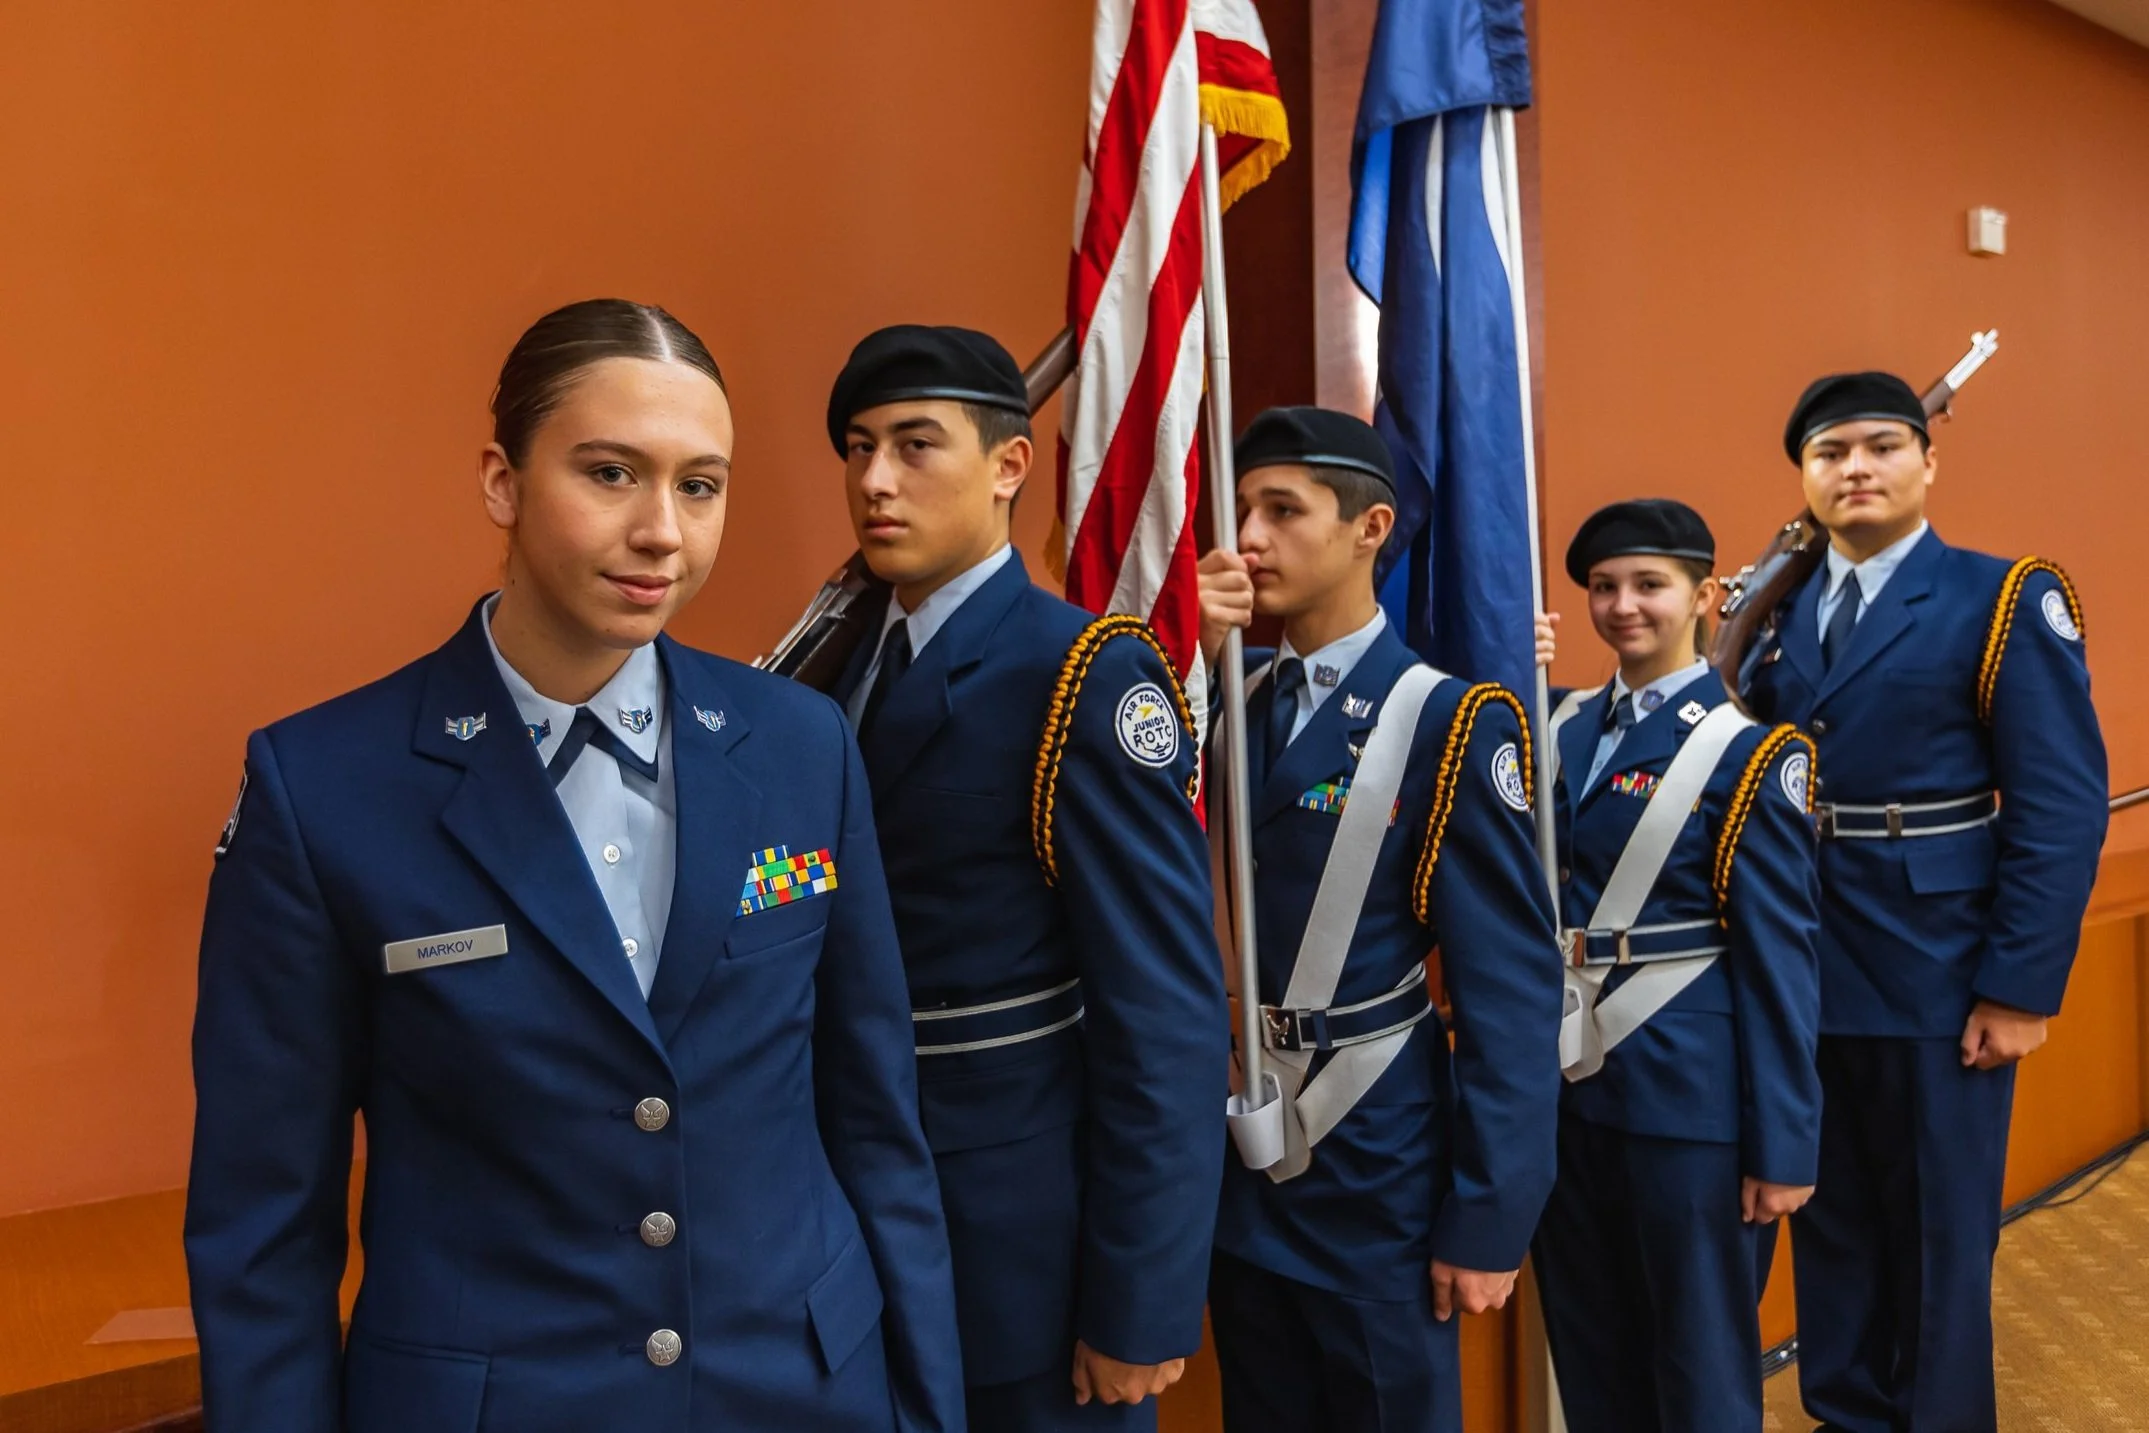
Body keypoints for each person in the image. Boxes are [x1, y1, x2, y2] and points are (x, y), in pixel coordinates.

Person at [185, 300, 965, 1433]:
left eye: (699, 485)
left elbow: (878, 1127)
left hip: (804, 1391)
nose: (663, 531)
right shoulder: (326, 787)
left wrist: (927, 1408)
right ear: (502, 481)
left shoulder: (800, 746)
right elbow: (264, 1223)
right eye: (611, 473)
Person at [824, 324, 1228, 1430]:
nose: (874, 482)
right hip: (852, 1211)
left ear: (1009, 465)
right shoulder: (840, 665)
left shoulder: (1082, 675)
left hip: (1020, 1244)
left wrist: (1142, 1298)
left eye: (915, 446)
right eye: (858, 448)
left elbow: (1165, 1010)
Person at [1745, 372, 2107, 1432]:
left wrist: (2017, 982)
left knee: (1940, 1232)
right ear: (1803, 477)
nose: (1853, 468)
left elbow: (2058, 804)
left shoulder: (1999, 596)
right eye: (1827, 453)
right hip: (1804, 957)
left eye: (1878, 446)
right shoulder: (1775, 607)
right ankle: (1847, 1412)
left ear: (1926, 461)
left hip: (1938, 963)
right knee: (1834, 1217)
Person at [1193, 406, 1562, 1433]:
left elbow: (1509, 985)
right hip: (1236, 1153)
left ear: (1369, 527)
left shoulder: (1448, 719)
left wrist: (1492, 1210)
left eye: (1281, 509)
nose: (1248, 537)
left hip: (1370, 1161)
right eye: (1239, 510)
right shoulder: (1230, 697)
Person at [1527, 499, 1821, 1432]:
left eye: (1648, 585)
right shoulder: (1560, 728)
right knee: (1592, 1352)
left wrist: (1782, 1144)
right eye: (1603, 587)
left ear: (1702, 595)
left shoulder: (1749, 751)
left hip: (1690, 1105)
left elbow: (1782, 961)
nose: (1622, 606)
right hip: (1567, 1095)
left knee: (1698, 1368)